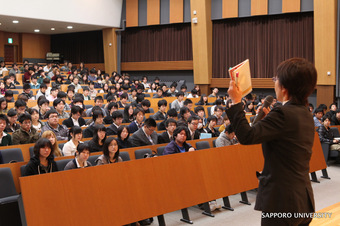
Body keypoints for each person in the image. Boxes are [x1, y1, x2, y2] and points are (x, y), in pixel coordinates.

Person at [226, 58, 316, 225]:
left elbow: (246, 137)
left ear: (284, 86)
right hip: (303, 200)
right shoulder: (305, 114)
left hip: (282, 202)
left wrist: (236, 102)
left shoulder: (282, 114)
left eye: (276, 79)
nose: (274, 83)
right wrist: (268, 122)